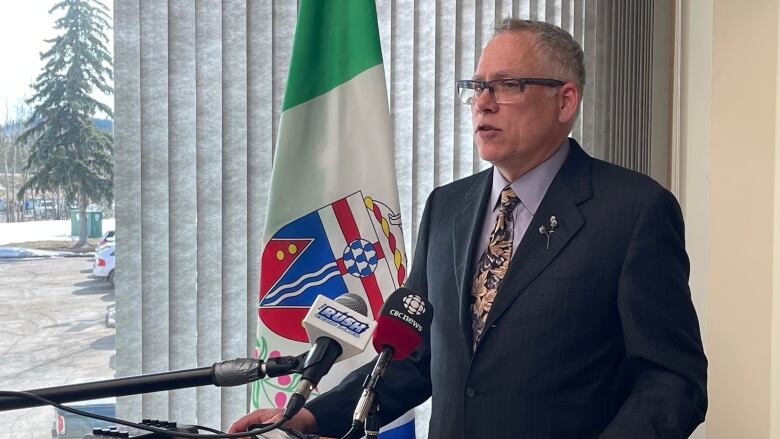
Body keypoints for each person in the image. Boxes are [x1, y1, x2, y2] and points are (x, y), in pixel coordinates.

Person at [230, 18, 707, 438]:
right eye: (476, 87)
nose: (484, 102)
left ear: (565, 102)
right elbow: (413, 360)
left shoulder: (634, 211)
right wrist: (307, 418)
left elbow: (672, 381)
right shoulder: (447, 207)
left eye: (506, 85)